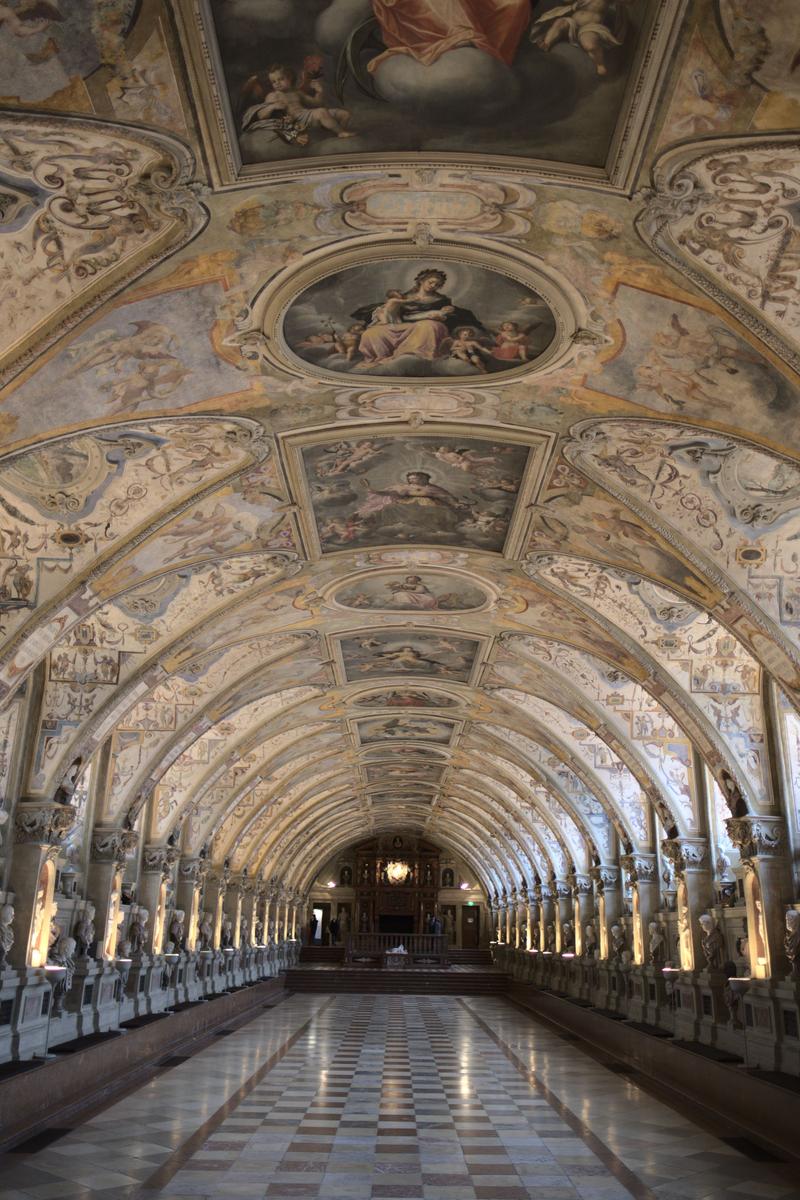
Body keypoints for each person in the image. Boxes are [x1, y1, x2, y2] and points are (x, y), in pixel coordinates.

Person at [353, 269, 486, 366]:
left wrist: (445, 314)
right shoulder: (404, 297)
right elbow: (393, 313)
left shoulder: (442, 299)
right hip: (404, 325)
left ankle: (411, 355)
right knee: (372, 332)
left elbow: (449, 317)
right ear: (422, 280)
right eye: (431, 282)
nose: (433, 286)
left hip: (429, 325)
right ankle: (379, 358)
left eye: (437, 285)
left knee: (426, 325)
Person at [241, 63, 354, 142]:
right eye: (273, 81)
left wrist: (319, 92)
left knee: (344, 114)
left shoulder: (296, 92)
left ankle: (333, 133)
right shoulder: (273, 95)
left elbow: (315, 103)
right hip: (298, 120)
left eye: (281, 79)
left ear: (289, 78)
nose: (277, 83)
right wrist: (272, 107)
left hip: (307, 114)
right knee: (321, 112)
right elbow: (261, 115)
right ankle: (340, 132)